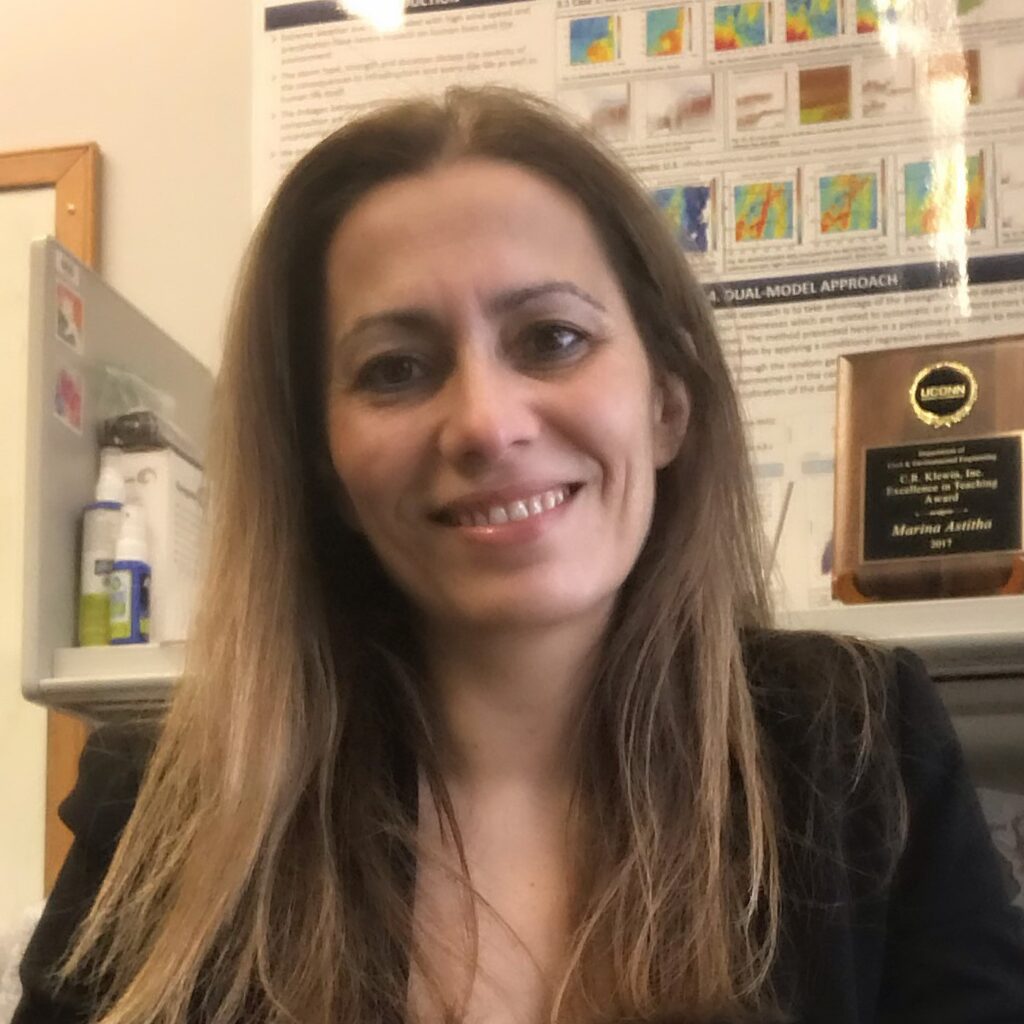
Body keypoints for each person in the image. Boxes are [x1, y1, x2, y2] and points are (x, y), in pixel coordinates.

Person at [15, 86, 1024, 1024]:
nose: (486, 424)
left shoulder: (857, 751)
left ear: (667, 404)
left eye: (552, 339)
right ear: (324, 465)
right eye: (395, 368)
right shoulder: (165, 807)